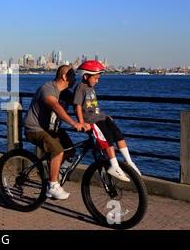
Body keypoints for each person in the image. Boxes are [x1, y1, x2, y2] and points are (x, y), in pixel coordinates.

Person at [23, 65, 91, 200]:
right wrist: (74, 124)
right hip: (35, 129)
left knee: (70, 150)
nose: (75, 79)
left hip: (53, 130)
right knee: (57, 150)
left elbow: (80, 106)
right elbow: (55, 106)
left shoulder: (66, 94)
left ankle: (55, 173)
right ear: (65, 77)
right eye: (72, 77)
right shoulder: (48, 88)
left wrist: (97, 118)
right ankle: (53, 186)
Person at [73, 60, 141, 182]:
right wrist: (81, 122)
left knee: (118, 134)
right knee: (107, 139)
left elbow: (94, 107)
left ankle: (129, 162)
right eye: (95, 78)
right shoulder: (80, 88)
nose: (97, 81)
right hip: (92, 121)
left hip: (101, 117)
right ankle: (114, 165)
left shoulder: (90, 88)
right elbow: (77, 106)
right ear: (85, 76)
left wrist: (105, 116)